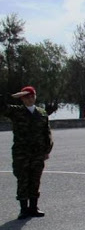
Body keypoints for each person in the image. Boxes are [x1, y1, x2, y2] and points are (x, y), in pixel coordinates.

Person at [1, 86, 53, 219]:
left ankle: (34, 207)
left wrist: (47, 150)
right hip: (21, 153)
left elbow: (46, 133)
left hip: (37, 153)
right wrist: (12, 96)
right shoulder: (16, 111)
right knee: (23, 179)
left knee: (35, 180)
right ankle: (24, 209)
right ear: (22, 98)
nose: (30, 99)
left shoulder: (41, 113)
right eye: (26, 97)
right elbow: (1, 107)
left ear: (35, 96)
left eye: (32, 96)